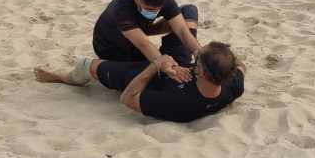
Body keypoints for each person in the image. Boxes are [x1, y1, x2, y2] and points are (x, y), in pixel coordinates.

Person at [33, 41, 245, 124]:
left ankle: (62, 78)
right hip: (175, 66)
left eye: (198, 59)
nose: (196, 56)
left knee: (87, 65)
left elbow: (128, 98)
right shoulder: (232, 85)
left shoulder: (179, 103)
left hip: (146, 77)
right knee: (187, 13)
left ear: (201, 71)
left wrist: (155, 65)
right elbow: (241, 66)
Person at [93, 0, 201, 66]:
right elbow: (144, 44)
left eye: (157, 9)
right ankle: (180, 64)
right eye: (149, 9)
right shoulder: (122, 8)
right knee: (154, 71)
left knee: (188, 11)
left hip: (143, 30)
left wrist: (200, 54)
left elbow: (182, 30)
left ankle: (183, 61)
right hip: (113, 48)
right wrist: (167, 66)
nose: (154, 12)